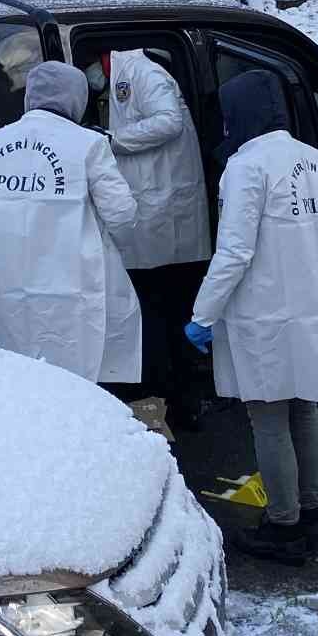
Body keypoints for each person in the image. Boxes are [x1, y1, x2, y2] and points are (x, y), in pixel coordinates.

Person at [187, 70, 318, 565]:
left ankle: (284, 526)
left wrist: (203, 314)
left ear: (241, 115)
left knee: (268, 417)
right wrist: (314, 279)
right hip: (314, 311)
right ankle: (311, 509)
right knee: (304, 408)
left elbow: (235, 251)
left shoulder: (247, 168)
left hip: (265, 316)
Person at [0, 60, 141, 384]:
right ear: (78, 100)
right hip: (69, 290)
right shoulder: (88, 144)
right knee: (70, 381)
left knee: (3, 382)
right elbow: (122, 214)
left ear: (29, 96)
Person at [85, 50, 212, 421]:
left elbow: (168, 122)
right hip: (160, 223)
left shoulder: (140, 73)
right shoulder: (131, 74)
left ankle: (158, 415)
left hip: (159, 223)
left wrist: (112, 139)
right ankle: (181, 408)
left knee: (154, 323)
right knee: (168, 321)